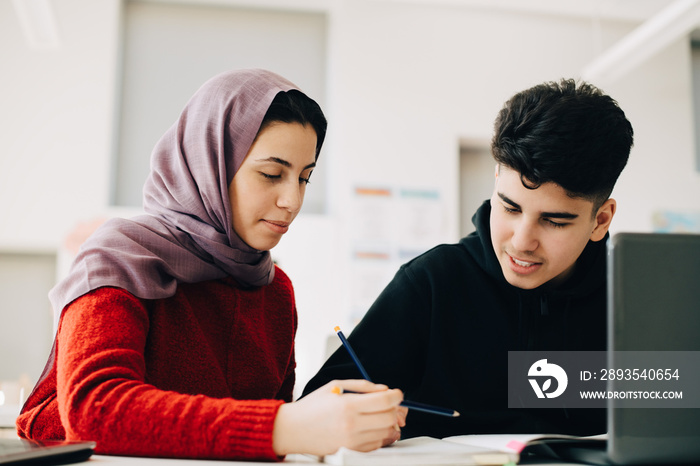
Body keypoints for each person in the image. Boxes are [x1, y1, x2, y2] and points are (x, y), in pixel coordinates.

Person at [16, 69, 404, 460]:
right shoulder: (121, 258)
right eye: (272, 174)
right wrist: (288, 426)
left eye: (304, 179)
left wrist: (337, 424)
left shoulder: (274, 289)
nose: (293, 201)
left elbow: (261, 431)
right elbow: (95, 411)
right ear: (209, 167)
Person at [303, 79, 634, 440]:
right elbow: (316, 412)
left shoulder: (638, 300)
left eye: (553, 221)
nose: (521, 242)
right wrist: (354, 416)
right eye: (509, 207)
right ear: (495, 180)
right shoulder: (432, 283)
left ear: (600, 220)